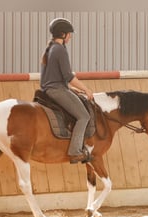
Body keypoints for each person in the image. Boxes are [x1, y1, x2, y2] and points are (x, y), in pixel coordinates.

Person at [40, 18, 94, 164]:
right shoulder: (60, 50)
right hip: (57, 90)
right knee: (84, 116)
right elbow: (69, 77)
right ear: (63, 35)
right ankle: (75, 151)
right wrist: (86, 89)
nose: (70, 36)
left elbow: (55, 77)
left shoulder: (50, 48)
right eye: (69, 34)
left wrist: (73, 90)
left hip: (49, 89)